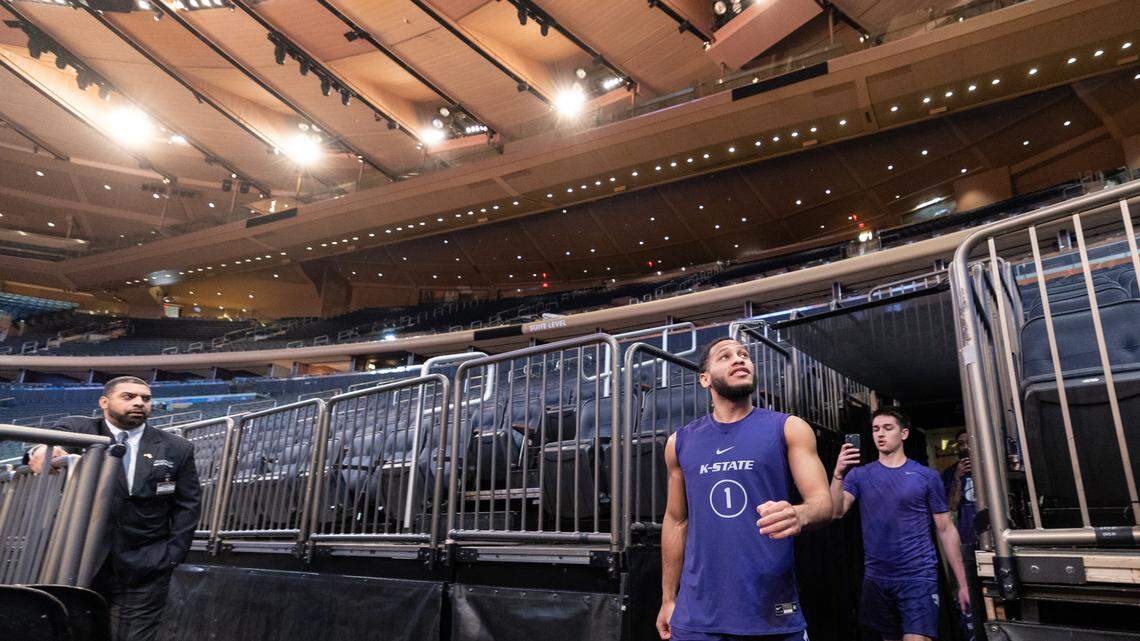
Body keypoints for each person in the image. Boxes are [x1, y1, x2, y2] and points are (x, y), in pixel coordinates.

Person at [657, 337, 832, 641]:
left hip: (769, 612)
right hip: (696, 616)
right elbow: (676, 520)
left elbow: (823, 503)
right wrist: (669, 599)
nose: (739, 360)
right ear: (705, 379)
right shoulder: (679, 442)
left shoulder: (789, 427)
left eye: (744, 355)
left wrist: (799, 514)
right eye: (725, 356)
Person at [27, 376, 200, 641]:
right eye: (129, 397)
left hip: (146, 566)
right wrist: (40, 451)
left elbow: (187, 505)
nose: (140, 403)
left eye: (146, 398)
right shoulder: (82, 429)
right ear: (105, 402)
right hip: (81, 562)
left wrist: (173, 554)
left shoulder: (177, 447)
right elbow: (50, 441)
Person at [831, 408, 970, 641]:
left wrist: (963, 583)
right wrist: (837, 474)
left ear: (904, 433)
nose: (880, 434)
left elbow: (945, 529)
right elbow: (835, 511)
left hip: (918, 576)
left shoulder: (926, 476)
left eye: (888, 428)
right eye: (876, 429)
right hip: (877, 578)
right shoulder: (859, 475)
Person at [940, 429, 977, 547]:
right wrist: (957, 477)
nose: (965, 447)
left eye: (969, 442)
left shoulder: (989, 466)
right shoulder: (950, 472)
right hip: (966, 535)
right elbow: (952, 506)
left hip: (992, 530)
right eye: (961, 443)